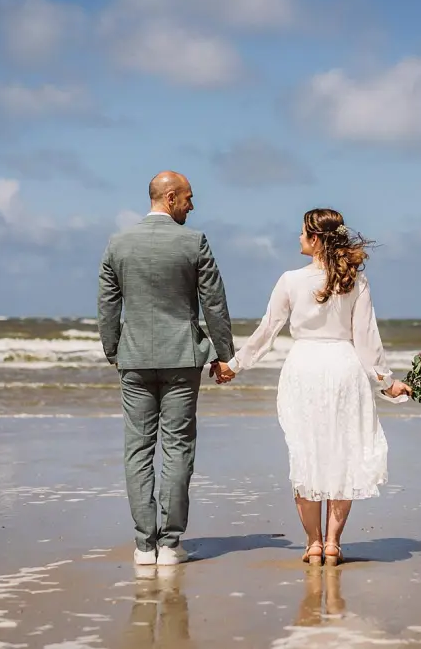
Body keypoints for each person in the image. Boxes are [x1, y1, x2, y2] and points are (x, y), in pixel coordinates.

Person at [214, 208, 411, 566]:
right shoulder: (356, 282)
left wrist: (234, 365)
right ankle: (334, 543)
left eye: (302, 233)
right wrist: (387, 383)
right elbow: (367, 341)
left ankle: (314, 544)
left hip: (304, 370)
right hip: (343, 368)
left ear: (315, 238)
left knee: (306, 455)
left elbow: (267, 332)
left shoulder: (290, 280)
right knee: (343, 455)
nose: (298, 238)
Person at [97, 171, 235, 566]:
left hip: (134, 358)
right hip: (182, 359)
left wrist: (114, 351)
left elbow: (108, 305)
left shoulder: (118, 244)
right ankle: (170, 545)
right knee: (177, 447)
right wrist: (225, 354)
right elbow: (215, 303)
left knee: (137, 449)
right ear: (170, 197)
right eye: (188, 198)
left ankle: (144, 546)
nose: (192, 206)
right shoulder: (194, 243)